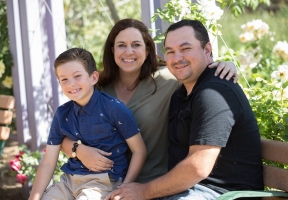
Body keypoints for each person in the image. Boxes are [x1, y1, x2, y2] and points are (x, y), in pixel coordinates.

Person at [61, 19, 238, 185]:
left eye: (136, 45)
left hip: (151, 183)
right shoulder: (97, 88)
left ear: (147, 50)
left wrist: (227, 65)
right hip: (100, 181)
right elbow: (61, 137)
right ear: (112, 50)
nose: (128, 52)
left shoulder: (168, 80)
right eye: (121, 45)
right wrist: (79, 150)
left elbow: (195, 69)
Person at [104, 19, 264, 200]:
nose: (177, 58)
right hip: (185, 189)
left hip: (223, 194)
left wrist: (143, 191)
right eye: (170, 51)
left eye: (185, 48)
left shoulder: (214, 92)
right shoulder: (180, 94)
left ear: (207, 50)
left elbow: (198, 167)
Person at [28, 48, 147, 200]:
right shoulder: (62, 114)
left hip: (102, 182)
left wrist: (125, 188)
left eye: (77, 76)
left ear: (93, 77)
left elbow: (139, 151)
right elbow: (48, 162)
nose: (71, 84)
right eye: (64, 79)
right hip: (68, 181)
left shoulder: (114, 108)